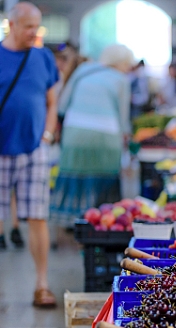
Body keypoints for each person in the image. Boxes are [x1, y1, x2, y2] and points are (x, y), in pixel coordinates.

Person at [0, 2, 59, 306]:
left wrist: (47, 135)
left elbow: (52, 101)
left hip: (35, 148)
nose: (34, 32)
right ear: (11, 24)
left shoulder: (43, 58)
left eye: (37, 26)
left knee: (37, 216)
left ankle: (42, 284)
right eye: (28, 26)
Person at [50, 44, 133, 228]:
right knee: (105, 182)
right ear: (120, 63)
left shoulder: (83, 70)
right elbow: (123, 117)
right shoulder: (121, 80)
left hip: (74, 134)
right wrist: (126, 140)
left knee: (74, 175)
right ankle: (102, 223)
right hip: (107, 137)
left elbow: (63, 105)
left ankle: (70, 221)